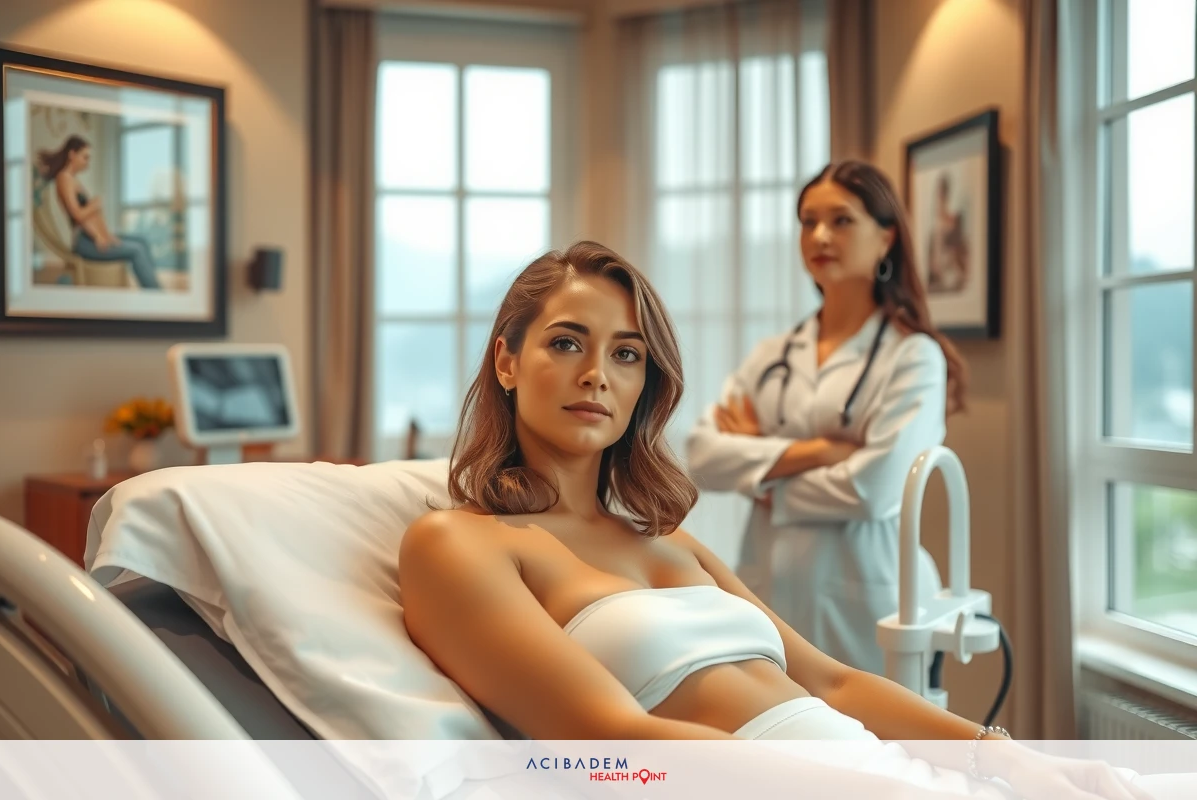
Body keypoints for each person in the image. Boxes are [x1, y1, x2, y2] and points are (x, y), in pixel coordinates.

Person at [397, 241, 1161, 799]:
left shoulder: (668, 543)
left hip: (874, 770)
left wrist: (1007, 757)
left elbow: (830, 681)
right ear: (506, 361)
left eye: (628, 355)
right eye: (566, 343)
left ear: (646, 384)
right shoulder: (459, 543)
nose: (597, 373)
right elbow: (610, 741)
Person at [685, 160, 968, 676]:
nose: (819, 235)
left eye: (841, 221)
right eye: (808, 221)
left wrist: (762, 480)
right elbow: (702, 456)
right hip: (771, 594)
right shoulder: (773, 353)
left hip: (873, 605)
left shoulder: (913, 357)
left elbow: (874, 490)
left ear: (885, 240)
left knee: (881, 750)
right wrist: (818, 453)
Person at [37, 135, 162, 289]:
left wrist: (105, 235)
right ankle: (156, 295)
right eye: (85, 157)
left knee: (142, 241)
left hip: (92, 237)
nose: (87, 163)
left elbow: (90, 217)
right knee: (136, 251)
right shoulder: (64, 179)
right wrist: (95, 208)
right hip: (85, 242)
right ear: (72, 155)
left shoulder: (73, 179)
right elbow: (77, 215)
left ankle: (157, 291)